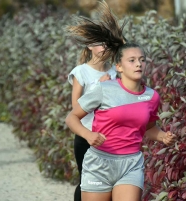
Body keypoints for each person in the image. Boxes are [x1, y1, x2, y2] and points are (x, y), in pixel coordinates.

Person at [65, 1, 177, 201]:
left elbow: (149, 129)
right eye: (132, 60)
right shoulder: (100, 86)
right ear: (119, 66)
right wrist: (88, 135)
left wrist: (163, 137)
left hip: (131, 163)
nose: (139, 64)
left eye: (142, 60)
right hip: (98, 157)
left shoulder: (152, 97)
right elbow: (72, 116)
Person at [68, 43, 116, 201]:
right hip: (86, 135)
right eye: (100, 43)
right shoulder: (81, 71)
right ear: (89, 46)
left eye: (107, 43)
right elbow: (76, 107)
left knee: (110, 184)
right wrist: (99, 85)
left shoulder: (116, 72)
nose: (105, 47)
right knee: (87, 182)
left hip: (110, 137)